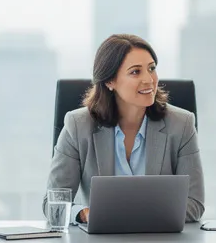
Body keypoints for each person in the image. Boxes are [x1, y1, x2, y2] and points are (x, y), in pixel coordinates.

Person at [45, 33, 204, 223]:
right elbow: (52, 204)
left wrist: (123, 215)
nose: (149, 80)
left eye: (151, 68)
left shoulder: (182, 124)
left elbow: (194, 205)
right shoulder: (77, 126)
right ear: (110, 81)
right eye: (135, 72)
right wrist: (82, 214)